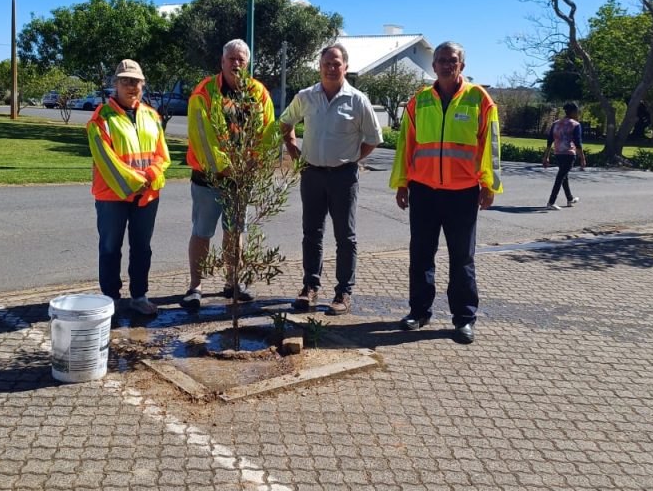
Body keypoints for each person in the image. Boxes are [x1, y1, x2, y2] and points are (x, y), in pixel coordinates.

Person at [390, 41, 502, 343]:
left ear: (461, 65)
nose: (446, 64)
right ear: (433, 66)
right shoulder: (419, 101)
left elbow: (490, 146)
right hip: (423, 190)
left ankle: (464, 319)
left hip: (462, 192)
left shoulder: (479, 99)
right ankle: (419, 312)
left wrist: (489, 185)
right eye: (440, 60)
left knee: (462, 258)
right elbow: (406, 145)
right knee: (421, 254)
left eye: (452, 60)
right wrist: (402, 183)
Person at [280, 44, 383, 315]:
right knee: (311, 233)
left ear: (345, 67)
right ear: (319, 66)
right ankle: (310, 287)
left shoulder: (357, 100)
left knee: (345, 237)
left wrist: (352, 158)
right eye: (327, 63)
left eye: (336, 63)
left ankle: (343, 292)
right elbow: (285, 122)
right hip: (312, 174)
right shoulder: (306, 97)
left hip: (343, 178)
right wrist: (294, 151)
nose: (331, 67)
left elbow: (373, 139)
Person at [181, 39, 274, 311]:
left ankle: (233, 282)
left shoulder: (258, 93)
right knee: (202, 232)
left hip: (240, 180)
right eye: (231, 59)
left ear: (248, 63)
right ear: (222, 62)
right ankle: (195, 286)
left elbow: (267, 132)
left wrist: (251, 165)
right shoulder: (205, 92)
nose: (236, 63)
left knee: (235, 232)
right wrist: (226, 167)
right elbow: (202, 138)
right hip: (208, 178)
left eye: (241, 59)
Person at [87, 59, 170, 315]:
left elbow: (162, 154)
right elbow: (107, 161)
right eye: (125, 81)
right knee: (111, 247)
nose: (130, 86)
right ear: (116, 84)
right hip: (113, 195)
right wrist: (138, 182)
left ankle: (139, 296)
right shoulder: (102, 118)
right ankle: (110, 298)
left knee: (142, 247)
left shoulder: (152, 115)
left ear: (142, 84)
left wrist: (151, 175)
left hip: (147, 196)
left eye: (135, 81)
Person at [543, 102, 586, 209]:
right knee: (560, 177)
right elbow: (578, 143)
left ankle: (570, 199)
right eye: (577, 111)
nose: (577, 113)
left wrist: (546, 156)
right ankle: (551, 202)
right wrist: (582, 158)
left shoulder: (556, 123)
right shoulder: (575, 125)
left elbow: (549, 141)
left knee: (563, 176)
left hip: (558, 153)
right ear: (572, 112)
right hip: (569, 154)